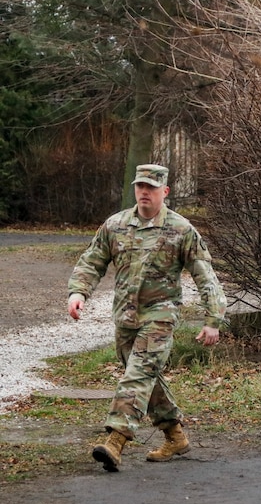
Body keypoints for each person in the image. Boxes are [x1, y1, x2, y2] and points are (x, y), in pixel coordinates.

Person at [67, 164, 227, 472]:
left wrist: (213, 318)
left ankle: (115, 441)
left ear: (164, 192)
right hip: (126, 317)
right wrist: (78, 293)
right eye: (140, 186)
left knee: (137, 375)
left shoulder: (181, 230)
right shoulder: (115, 225)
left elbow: (205, 276)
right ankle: (175, 435)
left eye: (151, 188)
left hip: (160, 316)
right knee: (144, 375)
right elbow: (92, 261)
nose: (144, 192)